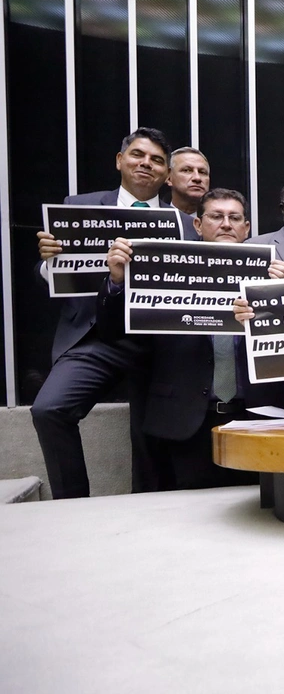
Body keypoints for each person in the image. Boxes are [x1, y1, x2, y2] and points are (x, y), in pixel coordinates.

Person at [100, 188, 284, 489]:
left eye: (235, 218)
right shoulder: (163, 269)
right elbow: (114, 334)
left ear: (247, 228)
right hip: (185, 420)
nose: (226, 224)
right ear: (198, 225)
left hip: (256, 420)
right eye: (216, 216)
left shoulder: (273, 276)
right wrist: (116, 281)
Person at [31, 127, 173, 498]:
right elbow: (49, 279)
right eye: (138, 155)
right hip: (95, 338)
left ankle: (152, 517)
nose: (147, 164)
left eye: (157, 160)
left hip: (162, 344)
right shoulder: (78, 207)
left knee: (152, 438)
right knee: (49, 410)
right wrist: (50, 262)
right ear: (119, 161)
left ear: (167, 173)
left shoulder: (186, 224)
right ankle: (72, 505)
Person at [165, 147, 210, 237]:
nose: (197, 178)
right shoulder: (155, 218)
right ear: (168, 178)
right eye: (187, 170)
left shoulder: (223, 223)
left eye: (202, 172)